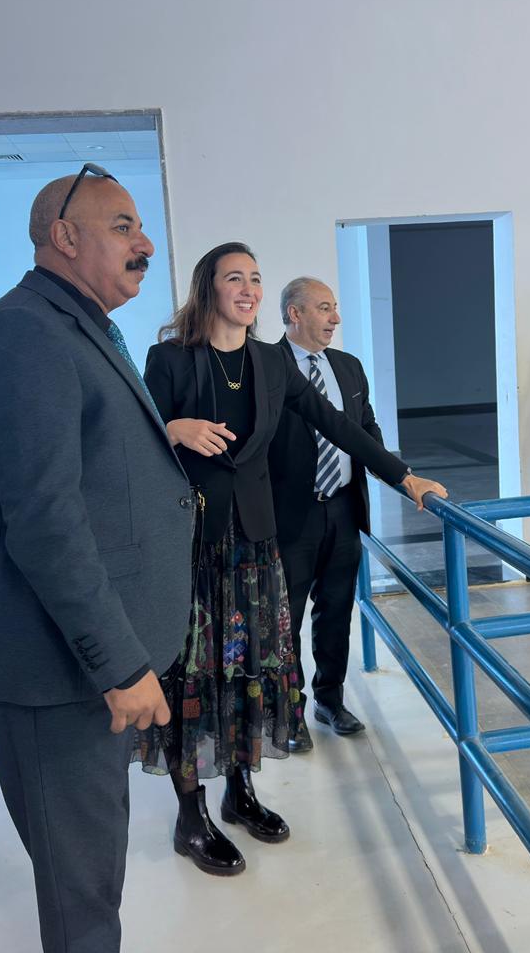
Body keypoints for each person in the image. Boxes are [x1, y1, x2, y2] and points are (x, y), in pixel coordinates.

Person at [136, 242, 446, 877]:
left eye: (255, 278)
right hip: (192, 546)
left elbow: (339, 424)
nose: (248, 288)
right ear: (208, 287)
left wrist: (404, 477)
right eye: (234, 278)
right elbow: (129, 439)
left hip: (255, 545)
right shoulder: (169, 359)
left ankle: (240, 790)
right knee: (192, 674)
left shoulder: (271, 363)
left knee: (250, 668)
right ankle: (190, 814)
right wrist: (172, 429)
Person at [0, 165, 194, 952]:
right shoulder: (24, 334)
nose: (144, 243)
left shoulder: (78, 327)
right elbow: (44, 519)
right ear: (63, 236)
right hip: (52, 672)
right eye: (122, 226)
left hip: (77, 668)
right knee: (80, 895)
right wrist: (118, 662)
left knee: (92, 875)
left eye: (140, 227)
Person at [269, 277, 381, 752]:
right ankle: (288, 712)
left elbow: (366, 428)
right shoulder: (267, 367)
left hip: (343, 509)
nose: (335, 318)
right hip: (289, 517)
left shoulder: (349, 367)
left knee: (335, 612)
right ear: (294, 314)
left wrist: (400, 475)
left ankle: (329, 700)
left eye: (334, 307)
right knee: (286, 619)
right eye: (323, 308)